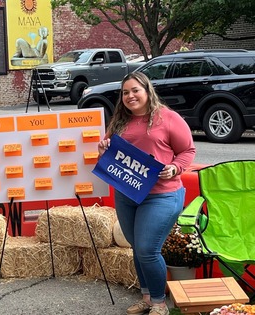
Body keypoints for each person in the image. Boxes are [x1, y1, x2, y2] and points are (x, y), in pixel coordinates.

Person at [97, 72, 196, 315]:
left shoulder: (168, 118)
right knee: (136, 247)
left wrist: (174, 168)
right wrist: (103, 148)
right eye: (125, 92)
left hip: (162, 195)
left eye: (135, 90)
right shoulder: (120, 121)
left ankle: (160, 303)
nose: (130, 96)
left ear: (147, 90)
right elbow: (110, 152)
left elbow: (187, 150)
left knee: (147, 250)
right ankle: (147, 298)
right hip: (127, 194)